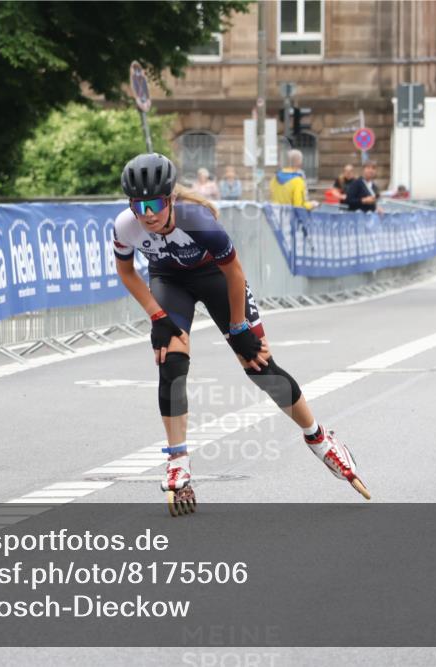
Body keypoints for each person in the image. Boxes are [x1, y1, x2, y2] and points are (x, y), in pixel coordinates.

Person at [114, 153, 370, 515]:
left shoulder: (198, 221)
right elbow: (126, 273)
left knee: (259, 366)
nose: (148, 214)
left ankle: (319, 437)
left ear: (171, 199)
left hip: (217, 280)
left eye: (155, 204)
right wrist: (158, 317)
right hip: (170, 281)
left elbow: (234, 273)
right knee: (170, 363)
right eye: (138, 206)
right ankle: (177, 461)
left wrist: (238, 328)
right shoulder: (126, 225)